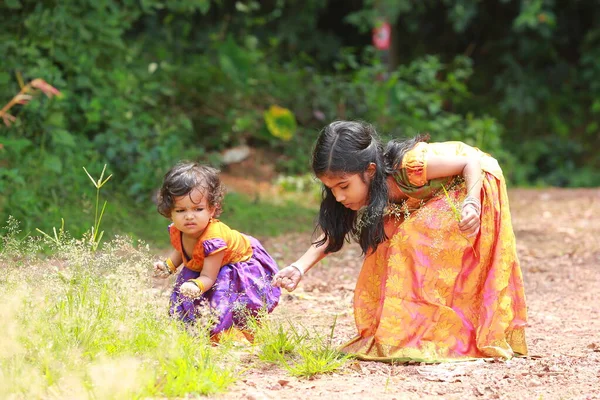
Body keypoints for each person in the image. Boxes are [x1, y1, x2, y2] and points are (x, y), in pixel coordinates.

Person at [273, 120, 528, 362]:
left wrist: (472, 204)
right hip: (432, 191)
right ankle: (406, 332)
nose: (338, 196)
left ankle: (444, 333)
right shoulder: (351, 190)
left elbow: (470, 164)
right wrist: (298, 267)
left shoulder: (409, 167)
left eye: (343, 186)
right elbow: (332, 231)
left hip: (474, 179)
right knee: (384, 245)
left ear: (370, 171)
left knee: (411, 238)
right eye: (331, 189)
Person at [154, 162, 281, 339]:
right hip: (206, 266)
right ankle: (196, 331)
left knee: (231, 303)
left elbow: (208, 277)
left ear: (211, 210)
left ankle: (241, 334)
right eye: (181, 210)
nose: (189, 216)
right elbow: (181, 251)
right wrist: (168, 266)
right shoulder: (179, 229)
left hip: (233, 264)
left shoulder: (213, 239)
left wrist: (195, 284)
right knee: (189, 302)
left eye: (198, 209)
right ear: (170, 212)